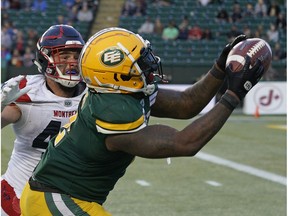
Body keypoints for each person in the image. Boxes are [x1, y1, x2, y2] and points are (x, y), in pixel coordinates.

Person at [20, 28, 265, 215]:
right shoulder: (110, 110)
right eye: (140, 59)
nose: (149, 61)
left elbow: (187, 104)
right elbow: (185, 143)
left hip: (64, 195)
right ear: (116, 73)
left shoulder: (123, 90)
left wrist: (220, 68)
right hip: (54, 198)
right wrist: (233, 95)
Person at [1, 24, 86, 216]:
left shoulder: (93, 94)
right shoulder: (26, 90)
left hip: (67, 193)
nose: (72, 62)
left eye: (76, 56)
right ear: (45, 59)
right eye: (64, 57)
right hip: (18, 192)